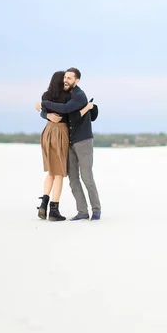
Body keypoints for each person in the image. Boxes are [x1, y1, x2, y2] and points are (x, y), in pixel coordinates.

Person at [40, 67, 102, 221]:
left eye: (69, 78)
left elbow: (69, 113)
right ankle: (82, 211)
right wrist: (45, 112)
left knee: (87, 176)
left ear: (77, 80)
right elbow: (64, 114)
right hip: (69, 141)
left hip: (83, 140)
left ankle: (96, 210)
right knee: (73, 178)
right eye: (65, 78)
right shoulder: (68, 95)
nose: (66, 80)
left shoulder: (79, 95)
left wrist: (44, 104)